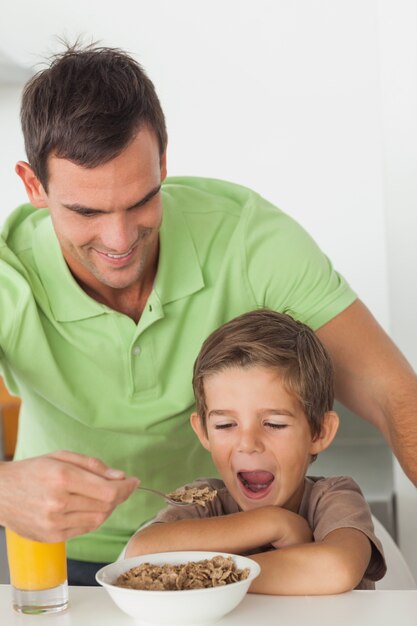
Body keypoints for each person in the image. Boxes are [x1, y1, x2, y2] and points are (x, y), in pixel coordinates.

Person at [0, 42, 415, 585]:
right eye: (86, 211)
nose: (119, 239)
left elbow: (394, 395)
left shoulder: (249, 239)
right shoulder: (9, 272)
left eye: (141, 200)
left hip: (226, 554)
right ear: (35, 186)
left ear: (164, 161)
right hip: (59, 558)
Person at [124, 309, 386, 593]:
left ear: (319, 432)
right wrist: (273, 523)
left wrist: (210, 579)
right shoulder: (206, 501)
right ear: (203, 432)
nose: (248, 443)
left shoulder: (335, 498)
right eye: (225, 425)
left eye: (273, 423)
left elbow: (337, 568)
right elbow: (140, 552)